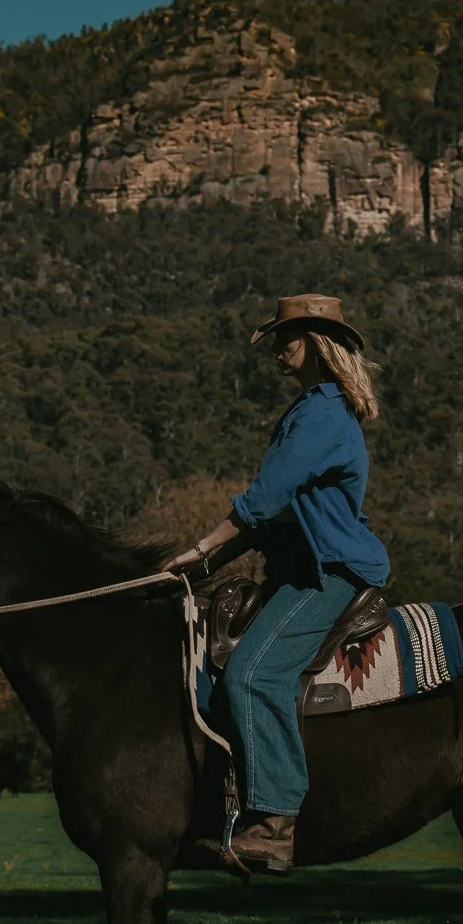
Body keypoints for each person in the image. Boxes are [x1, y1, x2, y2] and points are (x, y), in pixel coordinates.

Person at [166, 294, 389, 874]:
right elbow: (274, 515)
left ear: (314, 342)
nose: (276, 348)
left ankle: (276, 824)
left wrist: (201, 547)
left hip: (328, 573)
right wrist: (204, 564)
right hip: (297, 567)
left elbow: (264, 501)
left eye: (285, 337)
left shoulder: (320, 415)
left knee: (253, 672)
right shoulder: (308, 410)